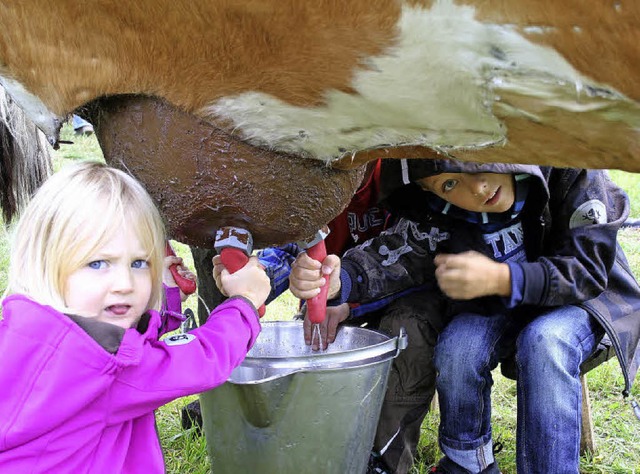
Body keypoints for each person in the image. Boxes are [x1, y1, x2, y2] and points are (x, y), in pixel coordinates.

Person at [289, 158, 640, 474]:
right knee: (459, 347)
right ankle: (467, 463)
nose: (478, 187)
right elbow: (398, 255)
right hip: (504, 307)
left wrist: (502, 278)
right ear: (431, 193)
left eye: (477, 163)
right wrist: (340, 281)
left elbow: (588, 271)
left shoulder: (564, 163)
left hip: (587, 305)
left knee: (545, 342)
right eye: (449, 184)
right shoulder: (442, 212)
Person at [0, 161, 270, 473]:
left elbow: (129, 344)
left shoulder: (24, 334)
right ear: (46, 264)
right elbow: (201, 360)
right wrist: (244, 303)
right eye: (99, 263)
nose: (125, 284)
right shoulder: (103, 369)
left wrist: (166, 299)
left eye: (139, 263)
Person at [223, 159, 447, 473]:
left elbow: (416, 254)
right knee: (315, 337)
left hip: (405, 294)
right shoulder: (314, 180)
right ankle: (315, 437)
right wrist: (257, 276)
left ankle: (384, 458)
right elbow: (292, 246)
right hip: (333, 294)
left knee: (410, 332)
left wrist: (348, 296)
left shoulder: (405, 171)